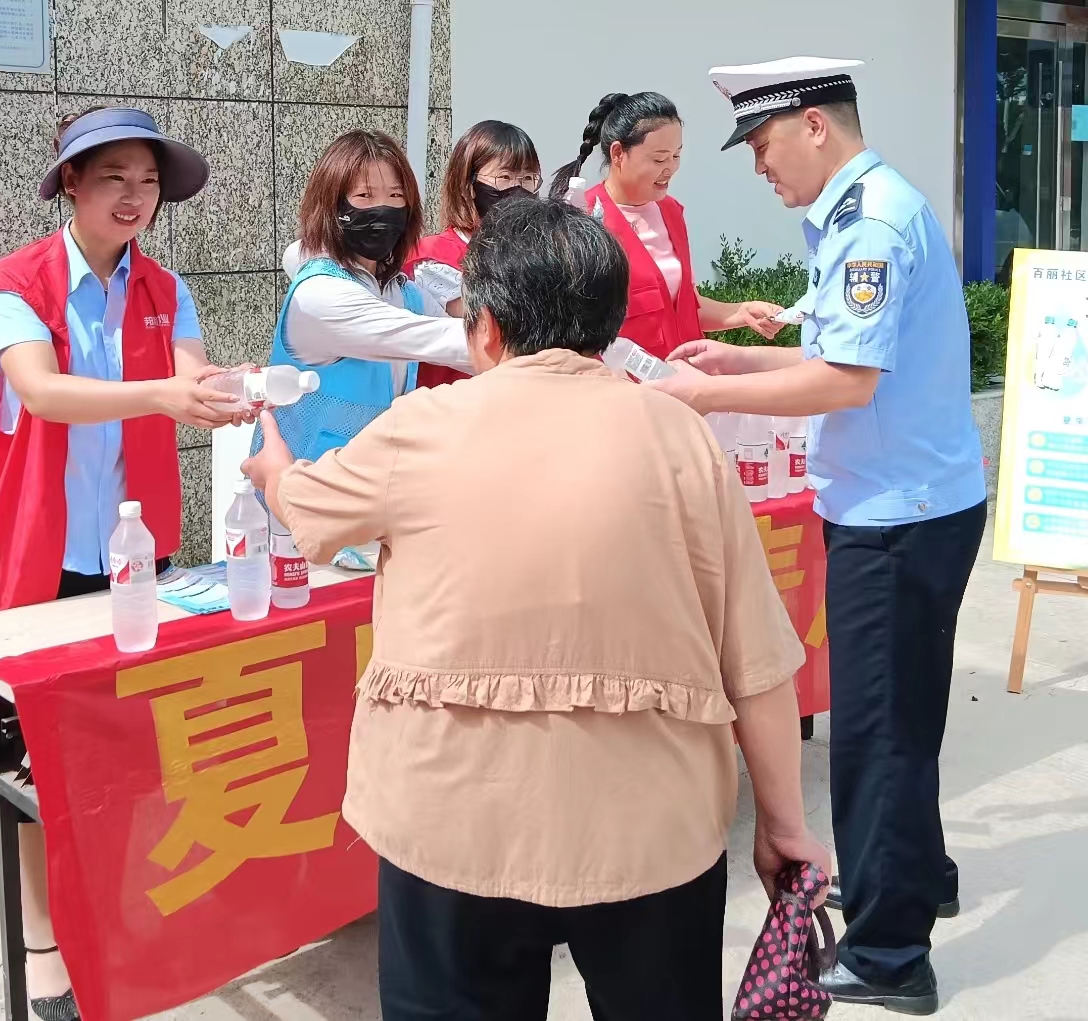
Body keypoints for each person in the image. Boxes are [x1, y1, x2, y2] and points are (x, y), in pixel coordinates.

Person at [242, 196, 829, 1020]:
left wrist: (271, 463)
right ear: (608, 322)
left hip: (453, 825)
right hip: (650, 832)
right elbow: (757, 659)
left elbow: (305, 510)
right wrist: (783, 822)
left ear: (483, 327)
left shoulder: (421, 428)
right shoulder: (681, 438)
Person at [652, 57, 987, 1015]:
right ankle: (917, 874)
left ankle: (889, 953)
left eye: (761, 146)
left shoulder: (869, 220)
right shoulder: (864, 207)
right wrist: (739, 352)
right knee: (905, 714)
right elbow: (846, 347)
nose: (759, 168)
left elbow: (848, 383)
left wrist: (705, 389)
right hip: (911, 501)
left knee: (878, 734)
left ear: (811, 125)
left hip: (897, 517)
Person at [0, 106, 251, 1021]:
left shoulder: (164, 288)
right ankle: (45, 950)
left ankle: (117, 916)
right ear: (70, 184)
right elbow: (43, 391)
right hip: (33, 557)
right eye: (115, 180)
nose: (135, 198)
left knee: (131, 748)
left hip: (137, 552)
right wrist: (168, 393)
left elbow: (195, 375)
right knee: (30, 769)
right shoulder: (15, 282)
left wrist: (240, 391)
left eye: (148, 182)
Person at [264, 130, 474, 465]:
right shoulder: (319, 295)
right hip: (304, 489)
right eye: (364, 195)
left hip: (373, 484)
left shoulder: (404, 293)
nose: (384, 209)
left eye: (395, 195)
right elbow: (443, 339)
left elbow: (472, 348)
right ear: (331, 205)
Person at [548, 92, 785, 358]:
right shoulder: (584, 219)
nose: (670, 168)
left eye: (676, 156)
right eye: (659, 159)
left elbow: (683, 306)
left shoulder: (670, 212)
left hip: (686, 379)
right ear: (618, 153)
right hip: (625, 388)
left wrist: (741, 311)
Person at [402, 119, 543, 387]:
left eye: (527, 178)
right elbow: (493, 326)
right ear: (468, 186)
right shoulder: (431, 256)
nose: (519, 189)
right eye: (504, 178)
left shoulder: (533, 254)